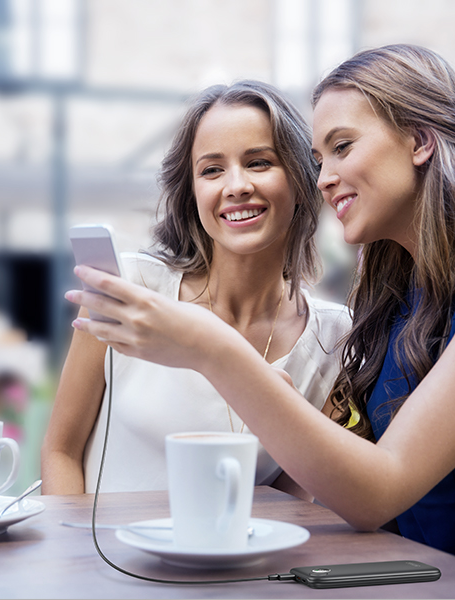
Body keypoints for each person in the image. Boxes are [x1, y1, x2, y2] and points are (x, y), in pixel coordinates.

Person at [66, 44, 455, 597]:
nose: (324, 178)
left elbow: (378, 490)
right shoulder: (399, 293)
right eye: (319, 159)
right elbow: (334, 484)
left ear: (420, 141)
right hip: (410, 580)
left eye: (342, 147)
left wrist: (213, 350)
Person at [42, 81, 350, 497]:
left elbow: (291, 501)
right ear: (192, 193)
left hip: (236, 560)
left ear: (301, 178)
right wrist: (74, 558)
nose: (235, 185)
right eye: (211, 169)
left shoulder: (337, 339)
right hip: (101, 559)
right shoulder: (129, 289)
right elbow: (61, 451)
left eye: (259, 162)